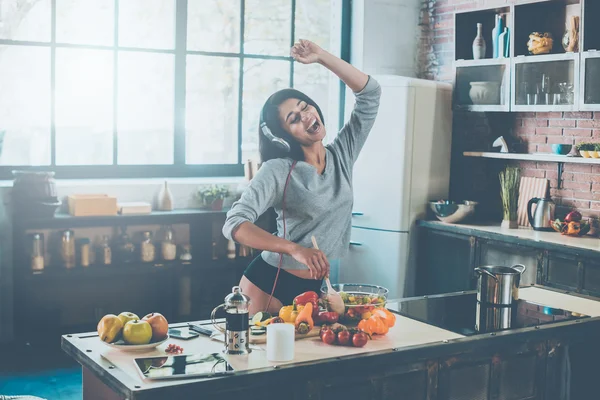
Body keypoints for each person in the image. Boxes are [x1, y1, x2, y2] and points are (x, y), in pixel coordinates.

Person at [222, 39, 381, 315]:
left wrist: (321, 57)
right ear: (286, 136)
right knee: (256, 358)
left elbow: (370, 93)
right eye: (294, 119)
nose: (305, 116)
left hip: (317, 288)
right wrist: (295, 249)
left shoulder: (342, 154)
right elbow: (234, 224)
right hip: (268, 284)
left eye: (304, 107)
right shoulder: (278, 170)